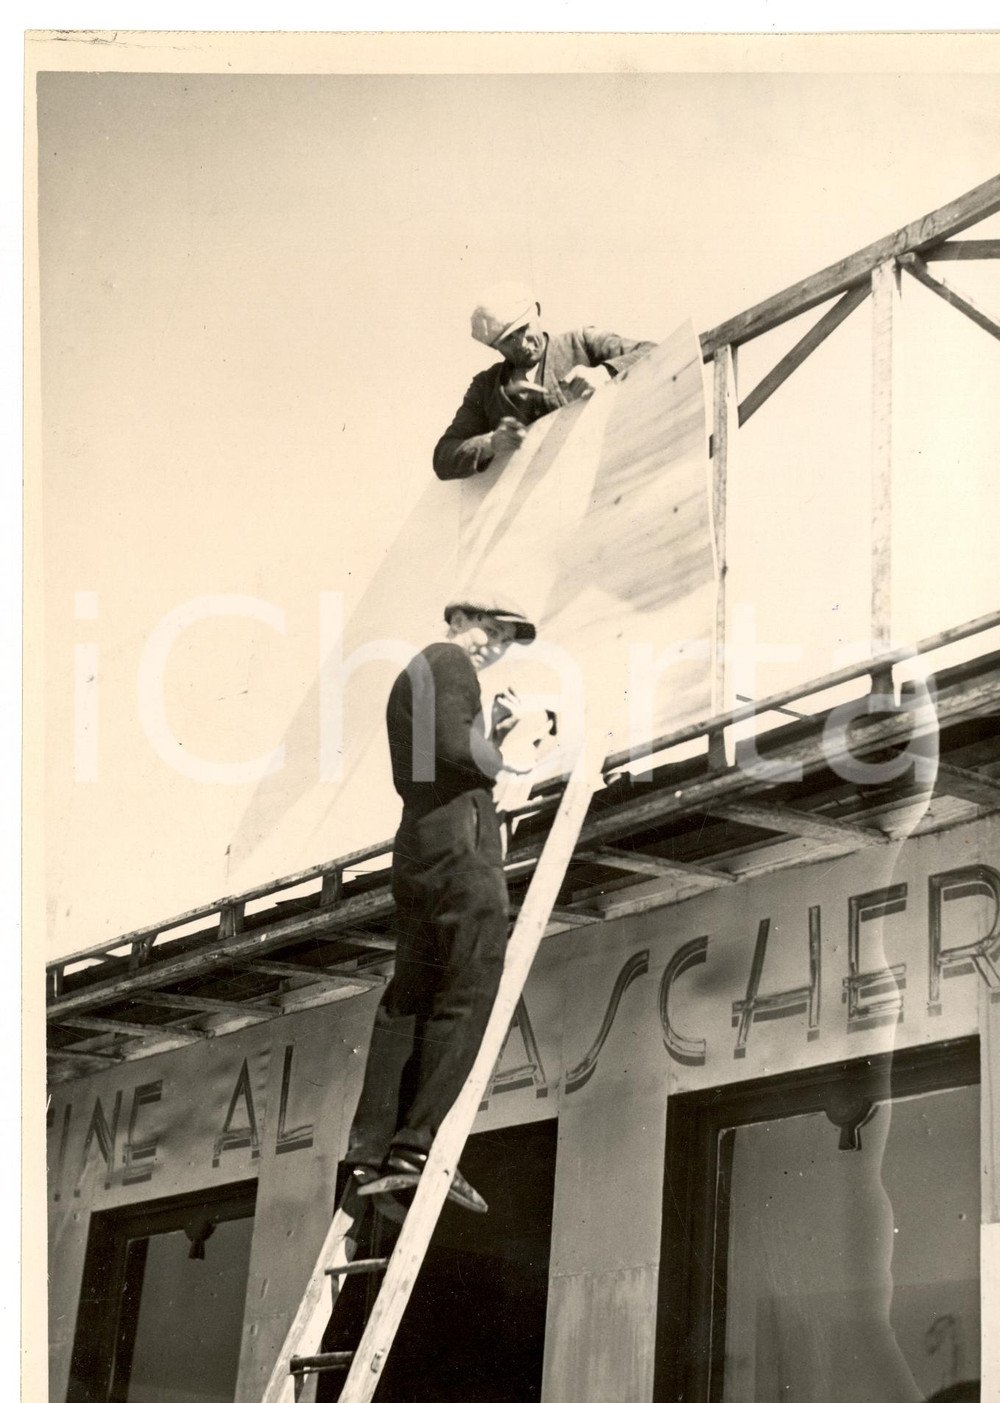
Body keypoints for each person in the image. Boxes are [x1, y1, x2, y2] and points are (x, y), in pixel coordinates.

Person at [342, 593, 539, 1217]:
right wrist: (510, 753)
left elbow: (443, 751)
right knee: (470, 985)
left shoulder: (421, 673)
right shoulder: (447, 661)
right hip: (459, 840)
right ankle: (417, 1146)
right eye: (488, 629)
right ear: (457, 620)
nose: (493, 645)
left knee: (412, 994)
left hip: (420, 841)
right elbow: (457, 750)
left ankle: (373, 1148)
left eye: (503, 639)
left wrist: (489, 735)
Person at [433, 281, 657, 480]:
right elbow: (443, 457)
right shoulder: (485, 387)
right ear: (494, 347)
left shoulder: (582, 342)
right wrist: (491, 443)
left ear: (537, 312)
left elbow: (652, 351)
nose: (522, 343)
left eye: (523, 329)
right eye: (508, 339)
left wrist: (605, 372)